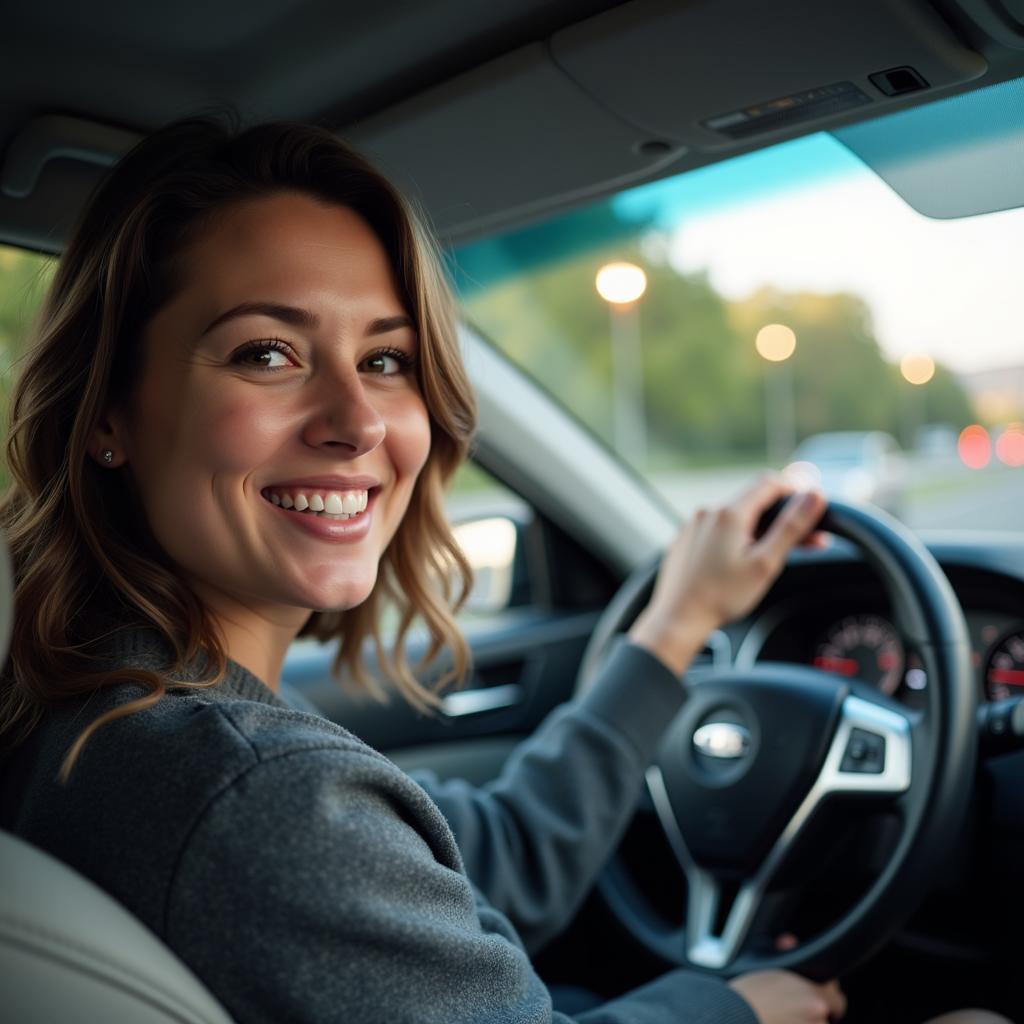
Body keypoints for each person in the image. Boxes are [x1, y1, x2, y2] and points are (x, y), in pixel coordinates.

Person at [0, 118, 1004, 1024]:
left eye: (387, 361)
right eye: (267, 353)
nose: (356, 422)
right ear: (106, 417)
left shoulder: (92, 705)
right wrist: (734, 1010)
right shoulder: (258, 793)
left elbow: (497, 858)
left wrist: (674, 624)